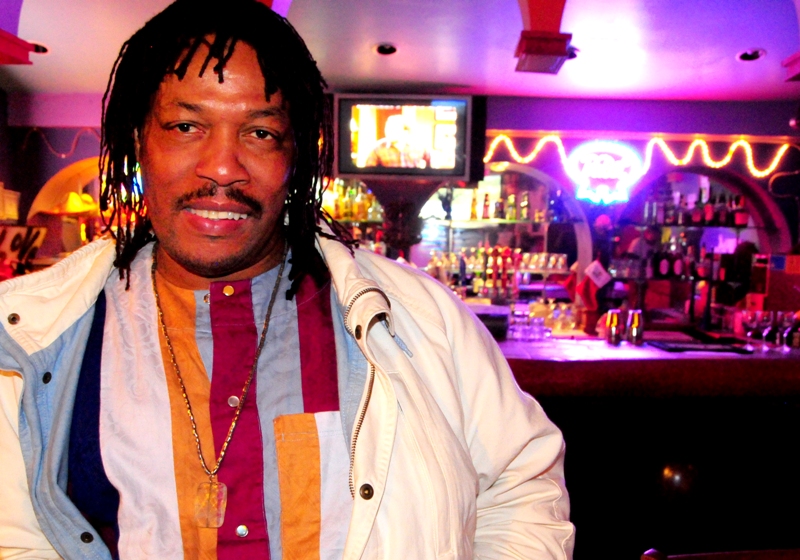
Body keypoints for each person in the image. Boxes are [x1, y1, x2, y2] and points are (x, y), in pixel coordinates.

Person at [0, 1, 574, 558]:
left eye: (261, 133)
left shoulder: (424, 318)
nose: (222, 167)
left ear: (297, 155)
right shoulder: (31, 340)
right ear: (137, 142)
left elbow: (522, 490)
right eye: (185, 125)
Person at [364, 114, 430, 169]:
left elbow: (432, 165)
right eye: (387, 128)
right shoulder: (378, 148)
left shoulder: (419, 146)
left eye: (393, 128)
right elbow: (369, 171)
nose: (388, 131)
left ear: (405, 130)